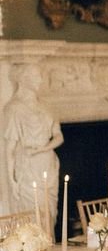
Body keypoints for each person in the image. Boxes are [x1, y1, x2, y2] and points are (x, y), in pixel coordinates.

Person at [3, 64, 64, 229]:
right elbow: (9, 149)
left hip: (48, 164)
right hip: (28, 168)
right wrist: (12, 181)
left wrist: (42, 149)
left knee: (50, 211)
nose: (40, 80)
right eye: (36, 76)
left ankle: (50, 249)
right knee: (32, 213)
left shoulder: (46, 107)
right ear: (24, 79)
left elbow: (59, 137)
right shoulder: (13, 108)